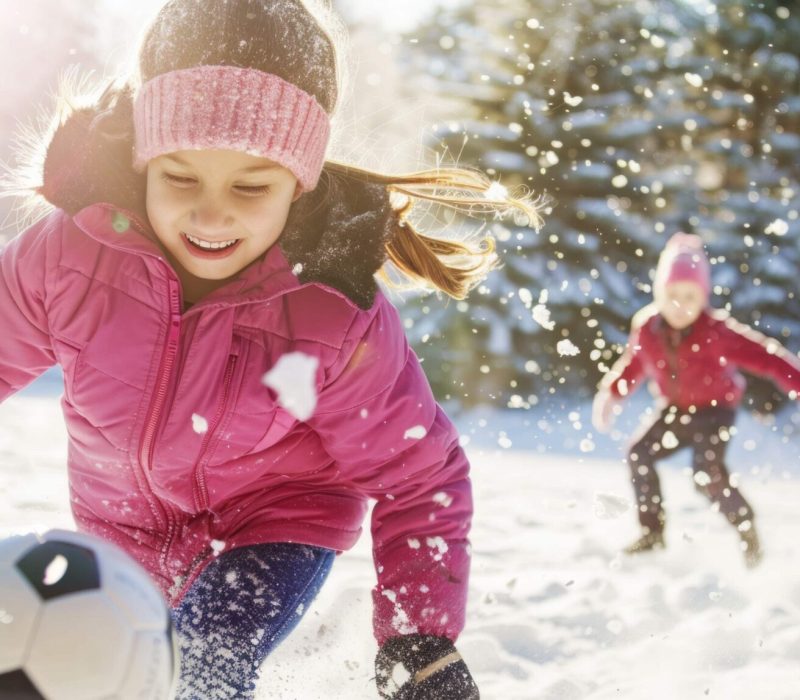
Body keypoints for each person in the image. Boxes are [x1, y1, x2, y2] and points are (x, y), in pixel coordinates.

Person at [0, 1, 541, 698]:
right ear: (143, 161)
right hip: (118, 528)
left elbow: (420, 474)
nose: (211, 212)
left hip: (273, 530)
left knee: (199, 666)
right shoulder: (72, 256)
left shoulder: (332, 315)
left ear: (299, 182)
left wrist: (419, 635)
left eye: (251, 186)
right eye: (180, 177)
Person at [592, 232, 800, 568]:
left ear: (703, 296)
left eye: (690, 296)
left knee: (707, 475)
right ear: (660, 292)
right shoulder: (647, 327)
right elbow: (633, 364)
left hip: (716, 412)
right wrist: (612, 393)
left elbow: (767, 356)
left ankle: (746, 528)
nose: (680, 305)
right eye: (672, 295)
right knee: (638, 454)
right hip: (673, 410)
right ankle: (652, 533)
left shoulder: (717, 331)